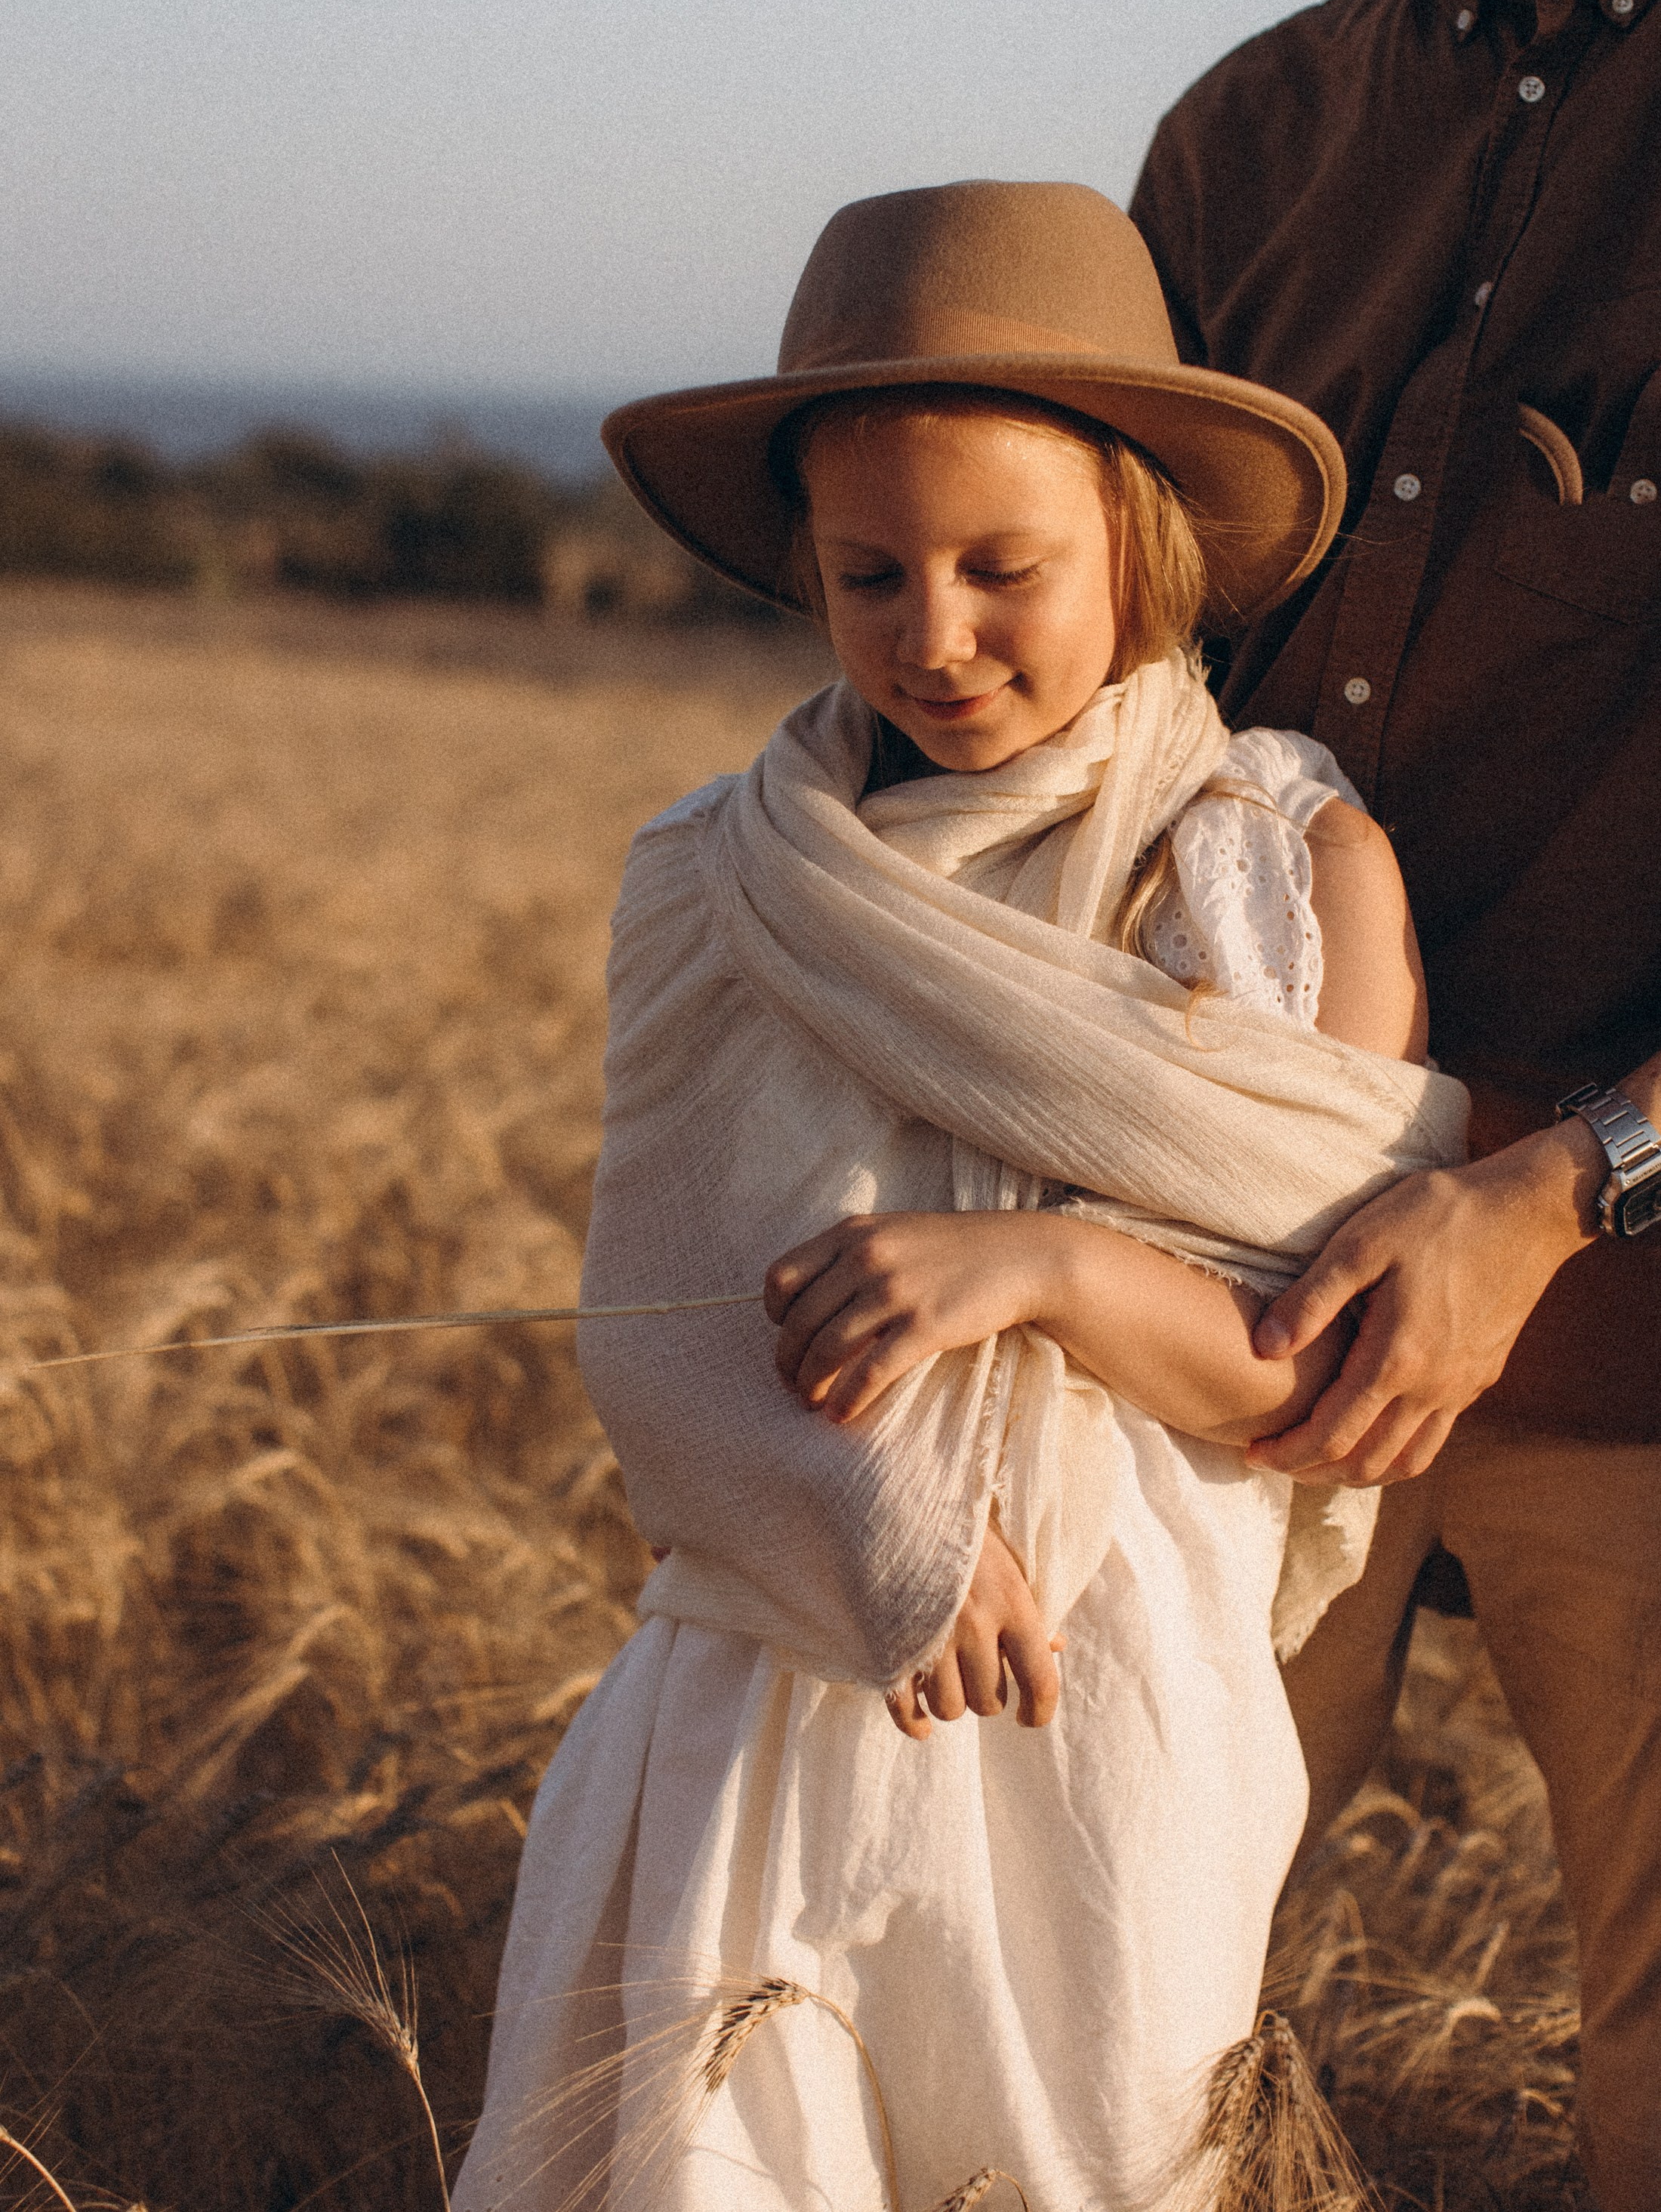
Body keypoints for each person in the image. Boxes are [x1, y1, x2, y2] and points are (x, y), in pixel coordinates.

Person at [453, 180, 1466, 2212]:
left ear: (1138, 542)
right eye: (867, 575)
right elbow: (648, 1333)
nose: (935, 633)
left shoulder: (1270, 868)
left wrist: (1048, 1268)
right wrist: (884, 1536)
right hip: (773, 1684)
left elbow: (1317, 1366)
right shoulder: (722, 877)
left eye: (1003, 566)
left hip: (1115, 1709)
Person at [1127, 0, 1661, 2204]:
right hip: (1223, 1326)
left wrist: (1552, 1193)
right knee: (1106, 2050)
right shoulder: (1247, 140)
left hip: (1641, 1347)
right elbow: (1102, 722)